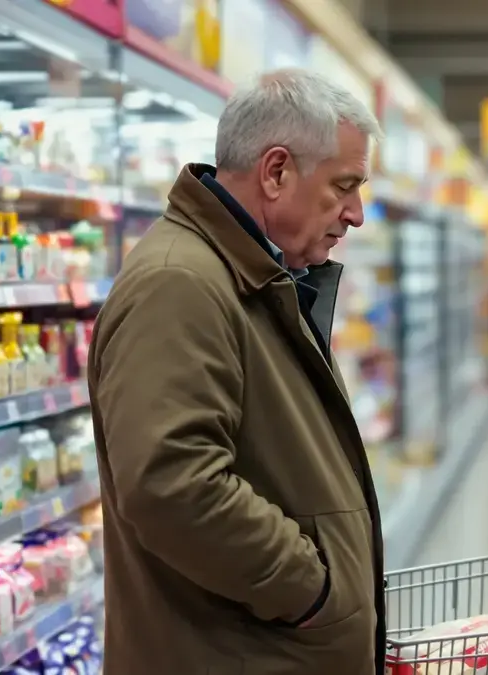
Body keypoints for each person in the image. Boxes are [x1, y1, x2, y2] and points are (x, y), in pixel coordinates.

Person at [88, 70, 385, 674]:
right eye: (343, 186)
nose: (355, 213)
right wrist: (312, 590)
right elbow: (173, 483)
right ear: (276, 172)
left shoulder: (251, 274)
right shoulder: (182, 283)